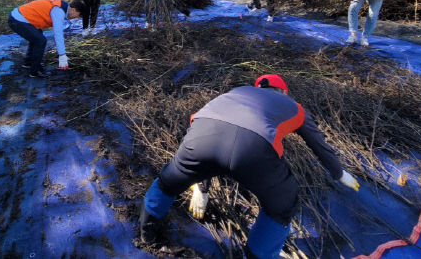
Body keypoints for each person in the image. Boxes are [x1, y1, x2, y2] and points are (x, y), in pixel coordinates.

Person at [139, 74, 359, 259]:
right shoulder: (294, 107)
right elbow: (318, 144)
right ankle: (257, 255)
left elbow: (202, 128)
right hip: (253, 151)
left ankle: (146, 233)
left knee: (168, 182)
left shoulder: (233, 93)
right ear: (283, 91)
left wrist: (202, 188)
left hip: (200, 139)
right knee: (283, 204)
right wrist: (339, 173)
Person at [7, 0, 86, 77]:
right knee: (40, 41)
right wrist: (62, 55)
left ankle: (29, 62)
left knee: (37, 36)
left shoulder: (62, 7)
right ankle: (34, 71)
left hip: (20, 17)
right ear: (73, 9)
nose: (76, 18)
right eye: (78, 15)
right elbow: (58, 33)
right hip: (17, 20)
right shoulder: (58, 11)